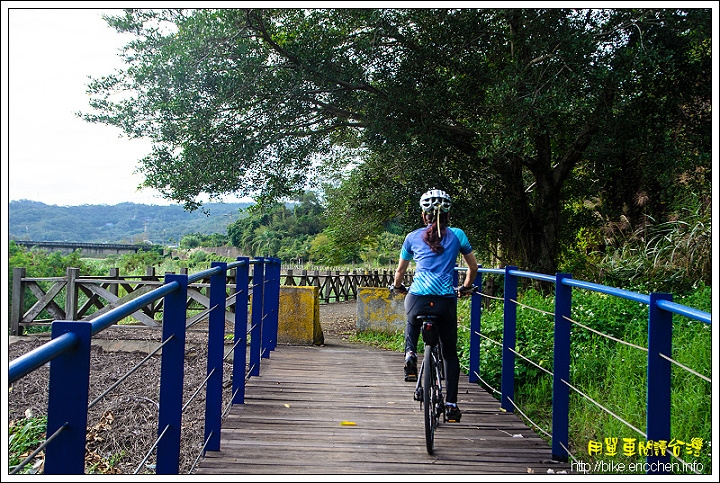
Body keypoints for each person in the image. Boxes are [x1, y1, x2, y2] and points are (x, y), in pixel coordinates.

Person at [390, 188, 478, 423]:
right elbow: (473, 268)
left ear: (423, 215)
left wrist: (397, 287)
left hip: (418, 297)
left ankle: (410, 354)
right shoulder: (458, 235)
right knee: (449, 354)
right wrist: (466, 287)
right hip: (444, 300)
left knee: (411, 319)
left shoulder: (411, 237)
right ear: (448, 215)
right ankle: (451, 404)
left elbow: (400, 272)